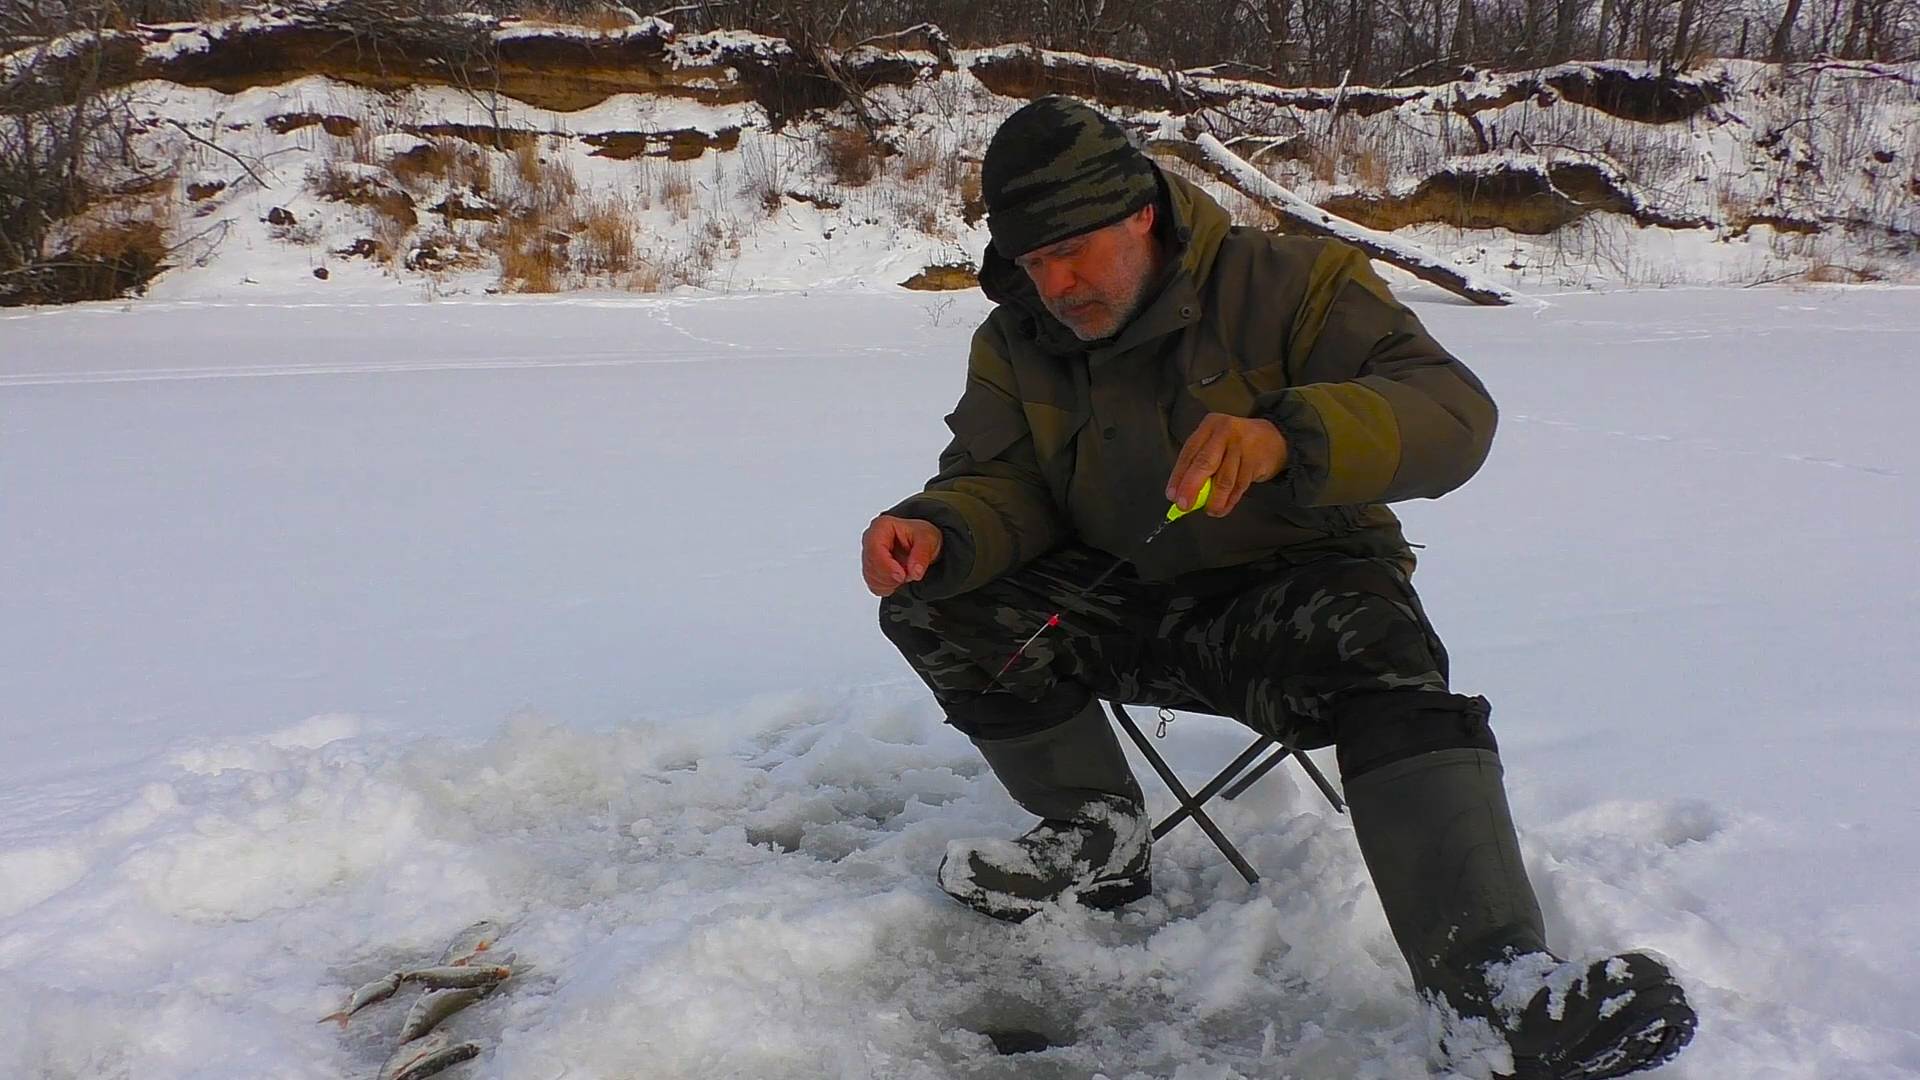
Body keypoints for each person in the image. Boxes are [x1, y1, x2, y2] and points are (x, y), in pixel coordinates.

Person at [861, 96, 1695, 1078]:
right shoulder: (1016, 342)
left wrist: (1288, 435)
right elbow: (1000, 483)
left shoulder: (1292, 284)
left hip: (1291, 605)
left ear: (1141, 212)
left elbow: (1452, 415)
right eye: (1036, 262)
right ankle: (1096, 831)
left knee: (1382, 658)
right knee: (934, 598)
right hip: (1120, 599)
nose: (1060, 283)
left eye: (1076, 249)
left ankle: (1491, 997)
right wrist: (938, 528)